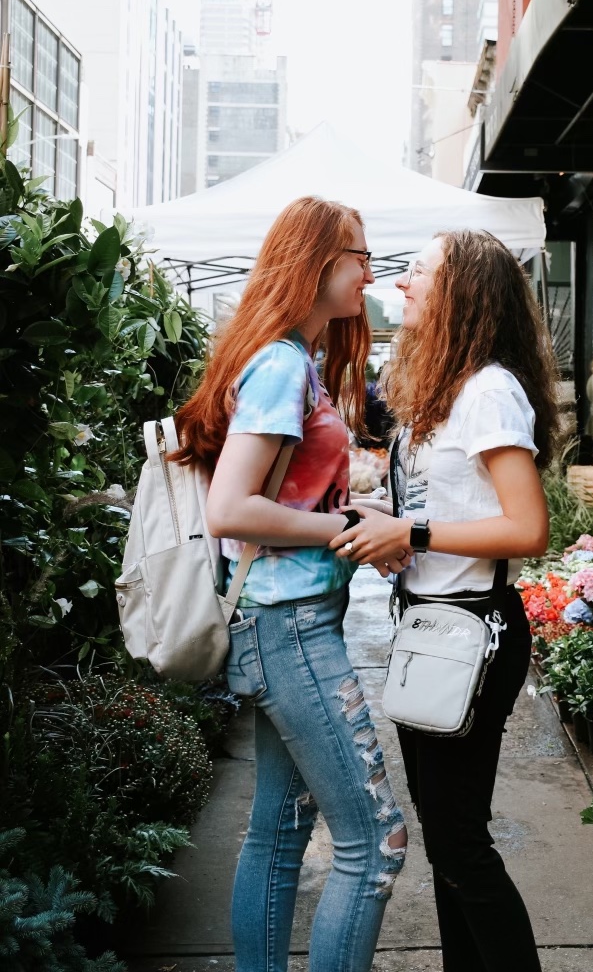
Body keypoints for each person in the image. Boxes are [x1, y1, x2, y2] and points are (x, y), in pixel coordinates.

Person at [172, 196, 409, 972]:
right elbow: (232, 509)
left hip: (289, 622)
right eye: (359, 256)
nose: (371, 271)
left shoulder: (291, 358)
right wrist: (343, 530)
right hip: (290, 627)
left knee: (277, 833)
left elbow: (281, 499)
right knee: (376, 843)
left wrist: (346, 508)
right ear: (316, 262)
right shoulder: (279, 362)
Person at [330, 229, 560, 972]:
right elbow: (447, 511)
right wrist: (394, 533)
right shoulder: (451, 386)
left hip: (471, 635)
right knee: (446, 835)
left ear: (461, 290)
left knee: (460, 841)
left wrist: (415, 531)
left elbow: (527, 528)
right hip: (433, 626)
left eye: (418, 272)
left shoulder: (489, 389)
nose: (401, 283)